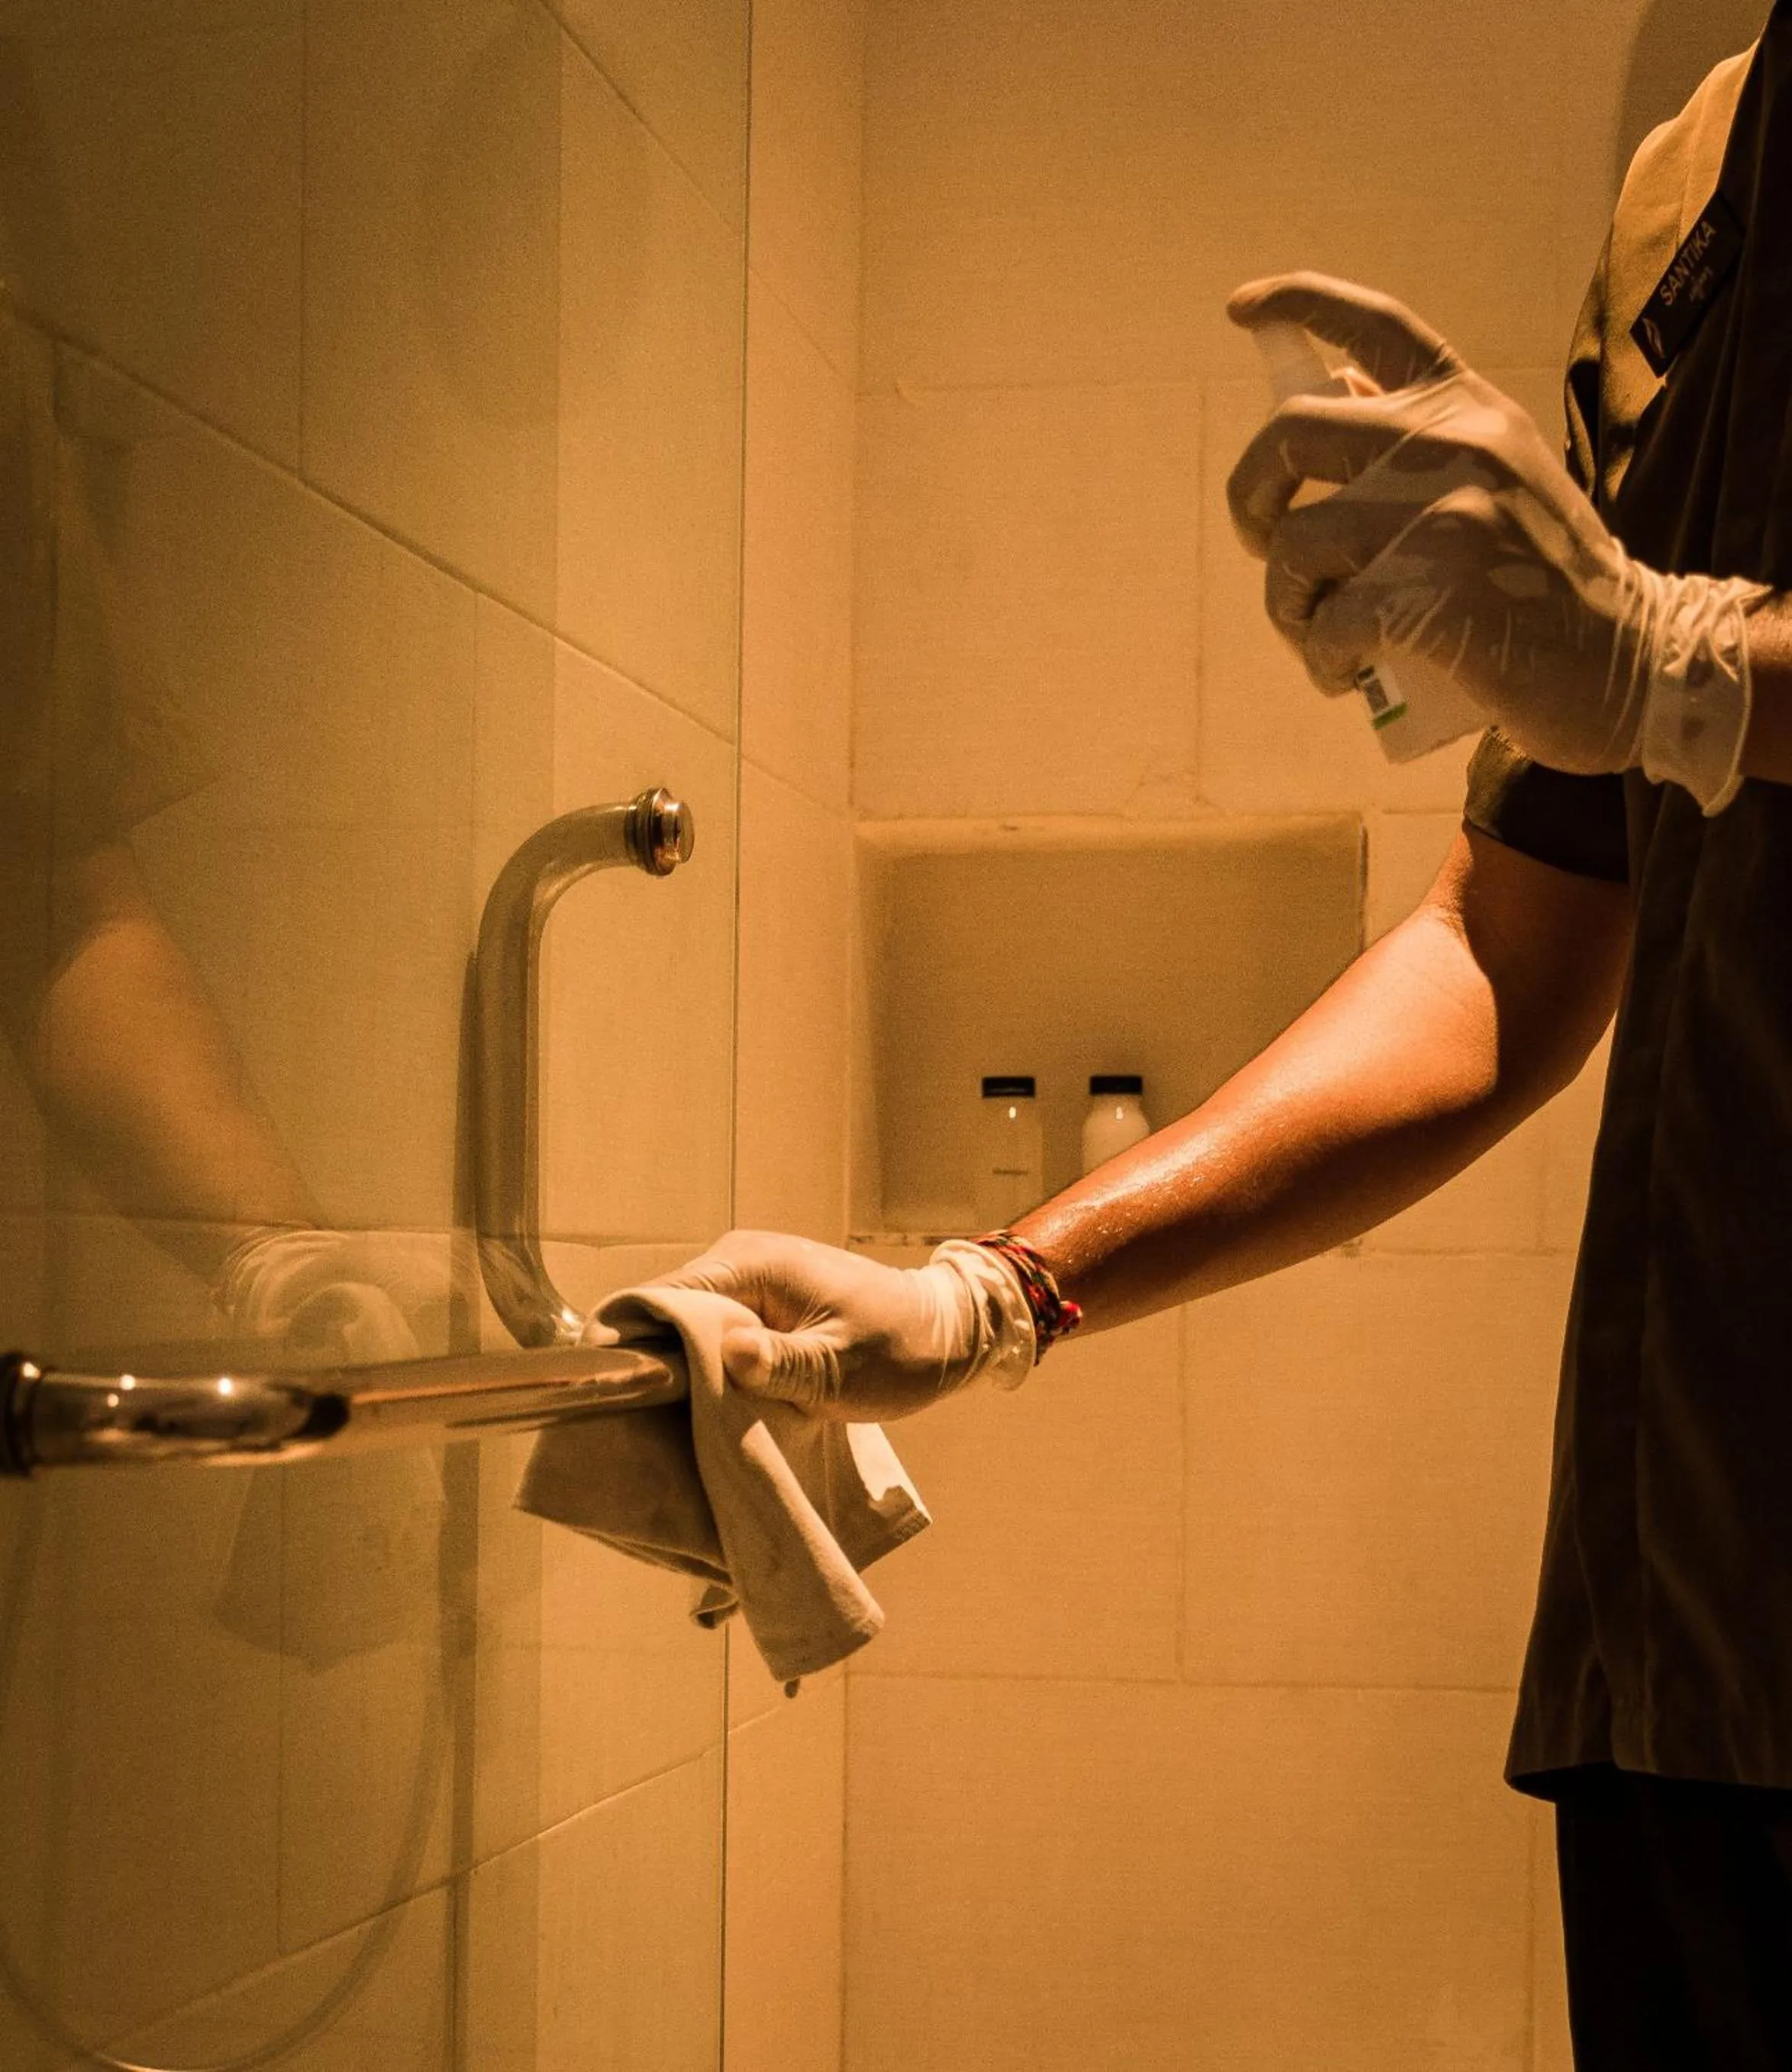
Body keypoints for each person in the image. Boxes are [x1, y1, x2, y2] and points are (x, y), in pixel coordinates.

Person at [651, 14, 1792, 2066]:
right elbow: (1523, 943)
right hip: (1691, 1624)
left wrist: (1689, 667)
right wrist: (995, 1291)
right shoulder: (1692, 187)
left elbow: (1669, 704)